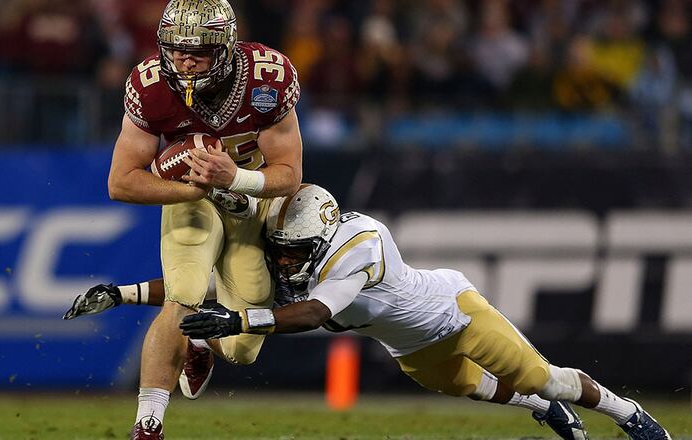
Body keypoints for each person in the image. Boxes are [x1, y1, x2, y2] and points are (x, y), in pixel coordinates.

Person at [64, 184, 674, 440]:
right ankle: (544, 410)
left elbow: (307, 315)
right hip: (409, 347)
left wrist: (239, 322)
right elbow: (199, 286)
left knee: (542, 375)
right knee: (489, 394)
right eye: (282, 251)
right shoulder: (296, 247)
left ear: (322, 238)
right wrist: (120, 294)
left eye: (294, 252)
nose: (284, 263)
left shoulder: (361, 243)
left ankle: (628, 414)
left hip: (457, 313)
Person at [105, 0, 302, 437]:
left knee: (243, 348)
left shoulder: (267, 77)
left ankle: (200, 342)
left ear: (228, 48)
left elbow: (289, 176)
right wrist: (194, 188)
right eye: (176, 50)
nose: (185, 61)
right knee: (183, 296)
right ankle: (148, 424)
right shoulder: (150, 84)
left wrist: (236, 178)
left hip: (250, 204)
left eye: (199, 51)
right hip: (191, 199)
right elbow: (121, 182)